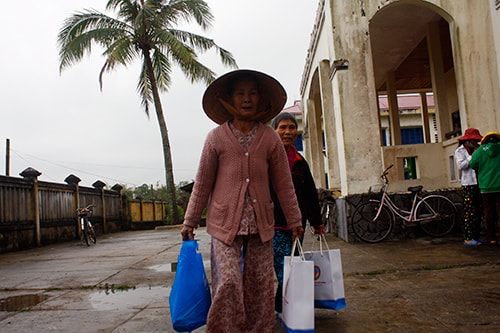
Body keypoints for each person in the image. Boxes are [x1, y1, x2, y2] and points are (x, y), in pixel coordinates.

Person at [181, 69, 304, 333]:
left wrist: (295, 219)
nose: (247, 99)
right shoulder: (215, 138)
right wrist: (190, 220)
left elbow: (284, 184)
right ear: (229, 100)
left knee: (260, 285)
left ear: (260, 100)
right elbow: (202, 183)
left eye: (252, 93)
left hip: (261, 225)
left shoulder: (270, 138)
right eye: (240, 93)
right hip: (224, 224)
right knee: (227, 283)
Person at [270, 111, 325, 316]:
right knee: (285, 268)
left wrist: (317, 222)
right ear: (274, 131)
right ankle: (291, 310)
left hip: (297, 226)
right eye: (282, 127)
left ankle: (281, 306)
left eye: (292, 127)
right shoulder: (267, 160)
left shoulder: (299, 161)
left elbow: (309, 194)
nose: (287, 132)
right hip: (274, 225)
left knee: (291, 266)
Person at [469, 131, 500, 246]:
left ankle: (492, 238)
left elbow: (472, 164)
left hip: (486, 187)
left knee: (489, 212)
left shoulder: (479, 151)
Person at [454, 128, 483, 246]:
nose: (476, 143)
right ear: (468, 140)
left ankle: (476, 235)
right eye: (474, 141)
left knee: (478, 211)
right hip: (468, 184)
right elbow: (461, 166)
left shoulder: (478, 149)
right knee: (469, 212)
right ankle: (468, 238)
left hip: (479, 182)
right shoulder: (459, 151)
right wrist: (472, 157)